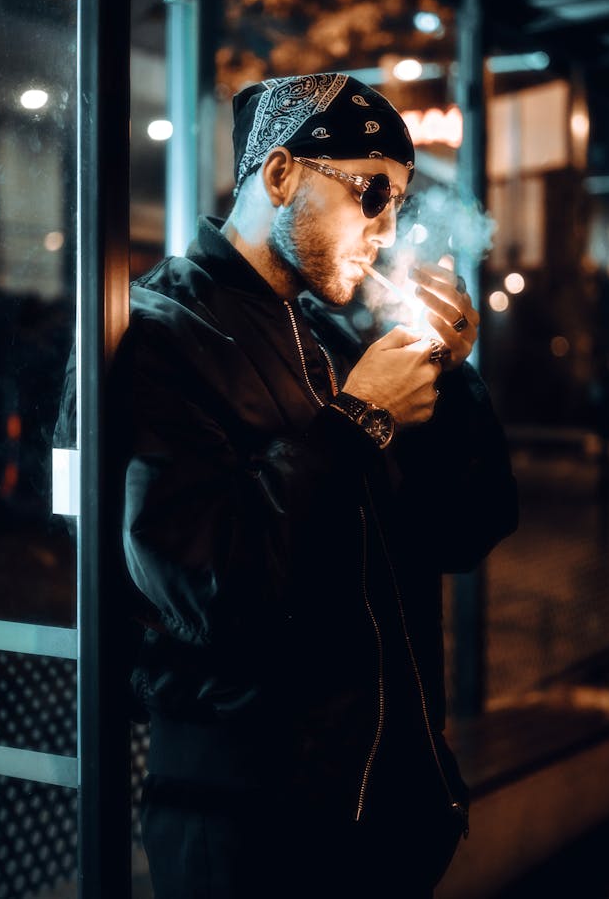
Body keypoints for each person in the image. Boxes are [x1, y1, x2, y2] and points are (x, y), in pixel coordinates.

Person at [122, 73, 518, 898]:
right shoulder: (158, 335)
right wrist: (360, 421)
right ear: (279, 175)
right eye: (371, 191)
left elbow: (464, 530)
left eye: (400, 203)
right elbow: (212, 587)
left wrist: (452, 382)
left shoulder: (335, 338)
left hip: (388, 823)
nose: (386, 226)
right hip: (251, 835)